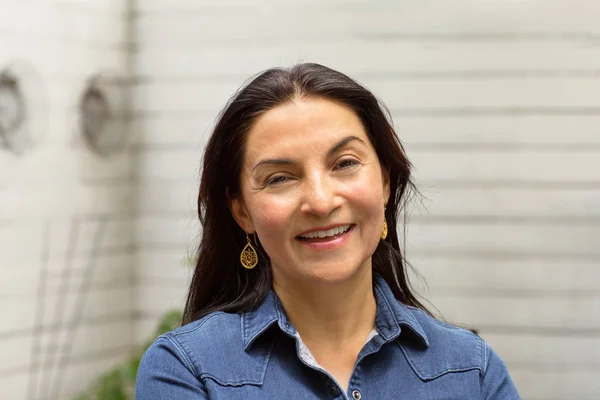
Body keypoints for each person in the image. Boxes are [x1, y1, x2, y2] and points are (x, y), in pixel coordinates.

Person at [136, 63, 520, 399]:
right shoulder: (188, 369)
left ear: (385, 183)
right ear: (242, 211)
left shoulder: (471, 370)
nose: (320, 202)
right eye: (280, 178)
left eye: (345, 163)